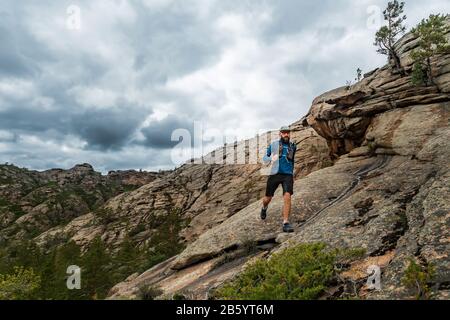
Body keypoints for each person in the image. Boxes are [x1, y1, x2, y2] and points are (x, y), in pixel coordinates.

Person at [261, 126, 297, 233]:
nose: (286, 135)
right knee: (268, 198)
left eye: (288, 133)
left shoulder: (293, 146)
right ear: (280, 134)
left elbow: (292, 160)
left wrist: (292, 173)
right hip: (275, 174)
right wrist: (271, 158)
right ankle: (264, 208)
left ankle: (285, 223)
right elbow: (264, 158)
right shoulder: (274, 145)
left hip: (287, 175)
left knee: (287, 196)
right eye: (284, 133)